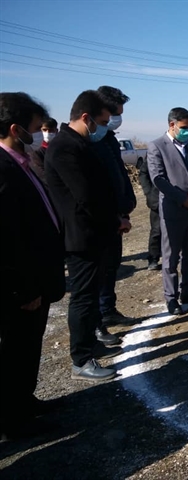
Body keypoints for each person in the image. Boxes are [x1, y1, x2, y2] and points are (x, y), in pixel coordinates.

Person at [46, 90, 129, 381]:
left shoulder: (79, 143)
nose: (104, 126)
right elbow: (86, 196)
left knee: (91, 294)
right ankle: (81, 360)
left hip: (95, 233)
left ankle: (90, 345)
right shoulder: (65, 147)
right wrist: (113, 220)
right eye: (102, 121)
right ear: (86, 117)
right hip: (81, 236)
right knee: (82, 298)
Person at [0, 92, 65, 439]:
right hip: (21, 288)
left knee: (28, 349)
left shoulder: (20, 162)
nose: (41, 134)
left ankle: (25, 402)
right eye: (36, 128)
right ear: (15, 128)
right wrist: (23, 289)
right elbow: (5, 240)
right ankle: (13, 421)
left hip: (38, 278)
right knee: (14, 352)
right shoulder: (3, 167)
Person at [147, 107, 188, 315]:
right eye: (184, 127)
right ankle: (171, 298)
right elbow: (159, 179)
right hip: (174, 210)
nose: (187, 131)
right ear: (172, 125)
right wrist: (184, 199)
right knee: (171, 256)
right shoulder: (157, 146)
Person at [93, 86, 137, 329]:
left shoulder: (108, 139)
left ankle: (108, 310)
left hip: (117, 218)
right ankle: (97, 324)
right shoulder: (89, 143)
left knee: (111, 267)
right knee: (98, 272)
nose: (117, 119)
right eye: (114, 114)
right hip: (101, 221)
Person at [138, 156, 162, 270]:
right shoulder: (156, 149)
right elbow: (143, 174)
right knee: (157, 231)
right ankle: (153, 258)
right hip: (157, 199)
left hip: (179, 199)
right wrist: (148, 193)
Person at [29, 116, 58, 186]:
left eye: (51, 130)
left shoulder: (59, 148)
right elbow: (42, 175)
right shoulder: (35, 150)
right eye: (44, 130)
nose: (47, 133)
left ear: (56, 131)